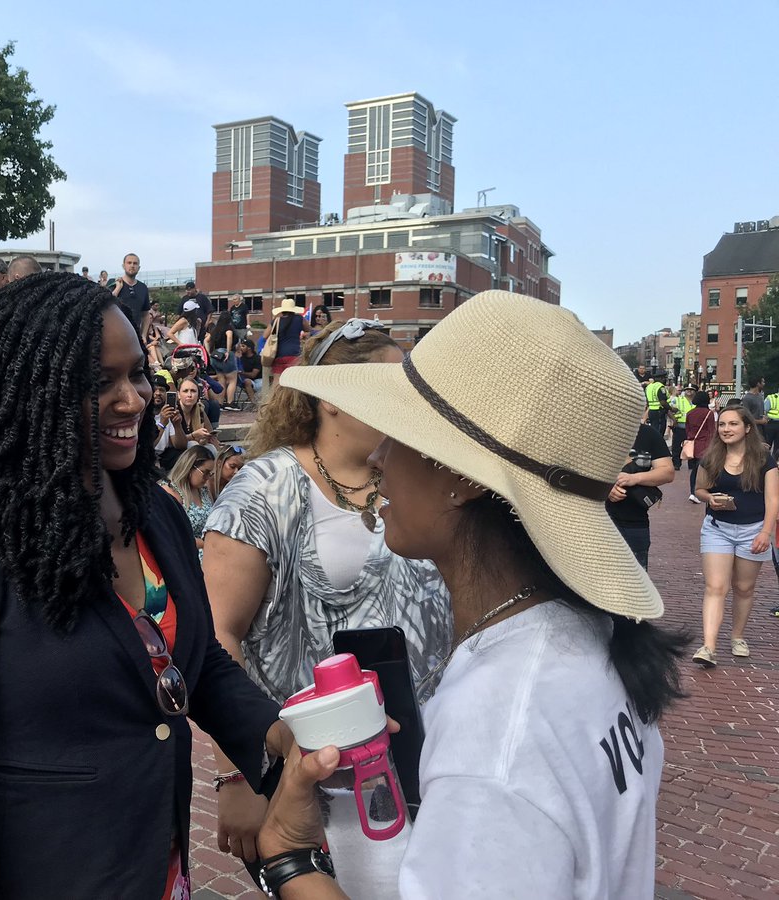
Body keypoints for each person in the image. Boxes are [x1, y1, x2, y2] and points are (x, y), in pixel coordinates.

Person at [0, 272, 290, 898]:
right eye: (99, 384)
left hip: (154, 863)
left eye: (138, 374)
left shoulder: (156, 510)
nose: (134, 399)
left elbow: (191, 667)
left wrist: (282, 738)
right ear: (26, 390)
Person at [259, 290, 686, 899]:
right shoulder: (584, 635)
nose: (379, 455)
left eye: (399, 434)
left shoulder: (499, 727)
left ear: (458, 476)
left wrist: (288, 859)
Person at [203, 320, 452, 872]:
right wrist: (237, 775)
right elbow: (218, 635)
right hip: (320, 775)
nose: (406, 398)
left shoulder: (419, 475)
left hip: (431, 760)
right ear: (332, 396)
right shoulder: (264, 489)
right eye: (390, 384)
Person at [692, 405, 778, 667]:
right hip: (718, 528)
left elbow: (773, 499)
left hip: (754, 530)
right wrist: (710, 498)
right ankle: (708, 646)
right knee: (715, 587)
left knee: (743, 588)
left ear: (747, 428)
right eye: (722, 425)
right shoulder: (711, 457)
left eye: (733, 424)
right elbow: (699, 489)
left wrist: (766, 532)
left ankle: (737, 636)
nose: (726, 429)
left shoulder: (764, 460)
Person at [605, 420, 675, 569]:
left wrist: (635, 478)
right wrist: (604, 488)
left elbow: (667, 472)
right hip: (595, 521)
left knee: (635, 582)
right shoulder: (593, 432)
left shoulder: (647, 434)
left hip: (633, 521)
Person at [163, 445, 217, 554]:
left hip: (209, 547)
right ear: (190, 467)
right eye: (205, 472)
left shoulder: (204, 490)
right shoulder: (171, 492)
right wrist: (208, 544)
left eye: (210, 474)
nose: (207, 478)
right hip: (187, 553)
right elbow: (174, 537)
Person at [263, 297, 309, 378]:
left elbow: (265, 335)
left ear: (282, 310)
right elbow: (309, 330)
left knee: (277, 384)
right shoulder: (299, 319)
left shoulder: (276, 321)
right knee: (293, 382)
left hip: (279, 355)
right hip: (295, 355)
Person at [683, 390, 715, 502]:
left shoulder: (690, 413)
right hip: (705, 445)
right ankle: (698, 492)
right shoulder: (708, 413)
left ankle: (693, 491)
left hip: (692, 446)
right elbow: (712, 431)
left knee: (694, 470)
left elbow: (687, 430)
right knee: (703, 469)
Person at [205, 312, 240, 409]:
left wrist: (209, 353)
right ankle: (229, 402)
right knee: (232, 379)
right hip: (225, 355)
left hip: (215, 356)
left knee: (221, 380)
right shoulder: (228, 328)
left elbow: (206, 340)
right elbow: (229, 336)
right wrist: (228, 351)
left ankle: (220, 403)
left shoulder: (215, 329)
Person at [109, 252, 149, 331]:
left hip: (135, 335)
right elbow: (107, 304)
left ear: (138, 267)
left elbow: (145, 315)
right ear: (123, 266)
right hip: (116, 333)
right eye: (129, 263)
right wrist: (118, 288)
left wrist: (144, 335)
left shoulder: (143, 288)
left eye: (135, 263)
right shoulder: (113, 283)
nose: (132, 265)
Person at [669, 384, 696, 468]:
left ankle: (692, 465)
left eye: (691, 389)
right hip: (680, 426)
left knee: (692, 446)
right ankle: (676, 464)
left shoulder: (697, 401)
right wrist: (673, 420)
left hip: (692, 428)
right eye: (687, 389)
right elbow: (668, 409)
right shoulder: (677, 400)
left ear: (695, 391)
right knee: (677, 446)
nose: (689, 391)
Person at [237, 339, 263, 406]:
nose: (240, 348)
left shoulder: (257, 358)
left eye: (243, 346)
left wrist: (241, 373)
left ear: (249, 348)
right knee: (247, 381)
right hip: (246, 381)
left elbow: (253, 375)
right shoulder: (241, 358)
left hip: (259, 380)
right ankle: (254, 403)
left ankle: (256, 403)